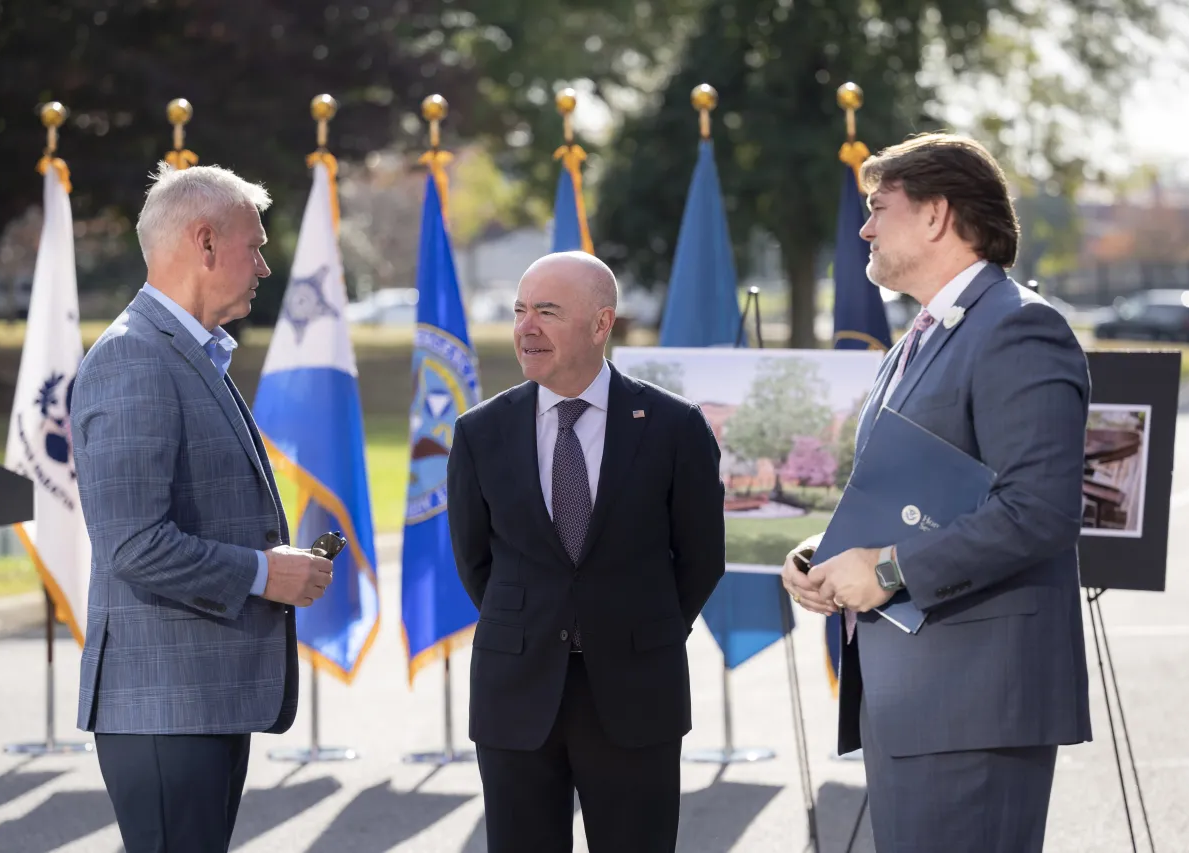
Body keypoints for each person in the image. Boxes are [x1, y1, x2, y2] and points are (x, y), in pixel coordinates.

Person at [782, 133, 1093, 852]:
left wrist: (886, 568)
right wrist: (828, 554)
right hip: (913, 699)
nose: (863, 228)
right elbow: (913, 491)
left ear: (935, 215)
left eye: (877, 207)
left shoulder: (1018, 326)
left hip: (974, 703)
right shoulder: (918, 337)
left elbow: (1039, 511)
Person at [70, 162, 334, 853]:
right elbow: (133, 544)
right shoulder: (134, 359)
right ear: (205, 243)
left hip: (195, 704)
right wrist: (261, 572)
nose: (266, 266)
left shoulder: (185, 354)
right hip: (164, 708)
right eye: (256, 244)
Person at [446, 251, 726, 852]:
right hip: (516, 693)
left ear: (603, 324)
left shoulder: (674, 427)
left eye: (547, 311)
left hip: (634, 693)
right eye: (520, 311)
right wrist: (534, 622)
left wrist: (640, 631)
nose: (526, 326)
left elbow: (701, 558)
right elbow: (476, 563)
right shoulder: (480, 432)